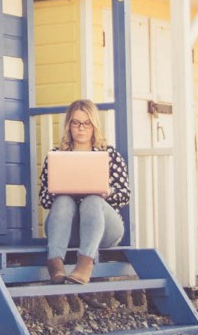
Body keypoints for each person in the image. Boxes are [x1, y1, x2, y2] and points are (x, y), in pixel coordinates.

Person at [39, 99, 130, 284]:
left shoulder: (109, 154)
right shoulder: (57, 156)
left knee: (92, 199)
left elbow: (125, 194)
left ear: (94, 125)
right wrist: (60, 189)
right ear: (69, 125)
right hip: (68, 230)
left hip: (104, 229)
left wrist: (108, 192)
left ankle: (85, 264)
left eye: (87, 123)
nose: (81, 128)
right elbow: (44, 200)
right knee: (63, 200)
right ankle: (55, 264)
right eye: (76, 122)